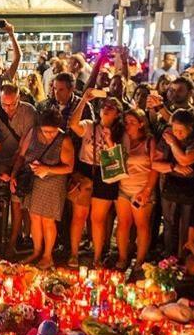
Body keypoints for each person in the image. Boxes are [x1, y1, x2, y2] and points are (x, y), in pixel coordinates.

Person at [68, 88, 124, 267]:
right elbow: (73, 124)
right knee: (79, 216)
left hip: (105, 173)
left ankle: (97, 257)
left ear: (117, 114)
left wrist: (109, 142)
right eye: (104, 106)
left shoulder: (120, 133)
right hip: (86, 170)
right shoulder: (90, 125)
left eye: (112, 107)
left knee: (98, 219)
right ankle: (74, 254)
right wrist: (84, 100)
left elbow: (117, 162)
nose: (106, 109)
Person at [15, 109, 74, 267]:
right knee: (34, 217)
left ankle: (48, 255)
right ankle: (36, 250)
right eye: (46, 131)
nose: (49, 135)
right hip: (33, 181)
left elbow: (69, 167)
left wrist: (47, 169)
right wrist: (14, 174)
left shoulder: (63, 140)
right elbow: (21, 154)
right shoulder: (33, 133)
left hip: (52, 184)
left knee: (48, 220)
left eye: (53, 131)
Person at [0, 84, 37, 256]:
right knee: (0, 200)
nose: (8, 109)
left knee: (19, 203)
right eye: (4, 104)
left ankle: (18, 239)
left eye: (12, 104)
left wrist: (15, 170)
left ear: (19, 99)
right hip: (2, 161)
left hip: (23, 162)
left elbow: (27, 141)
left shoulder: (29, 112)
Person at [153, 109, 194, 261]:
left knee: (186, 223)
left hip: (190, 186)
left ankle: (183, 257)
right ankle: (168, 255)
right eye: (174, 130)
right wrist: (173, 167)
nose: (177, 134)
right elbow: (155, 163)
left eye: (181, 131)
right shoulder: (167, 135)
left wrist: (172, 143)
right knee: (168, 221)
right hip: (170, 183)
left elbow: (185, 160)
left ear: (190, 127)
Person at [116, 108, 159, 269]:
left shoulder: (149, 141)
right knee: (123, 224)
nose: (128, 125)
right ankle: (122, 257)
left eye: (132, 122)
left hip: (142, 190)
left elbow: (155, 167)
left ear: (141, 124)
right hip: (124, 189)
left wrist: (147, 190)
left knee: (142, 225)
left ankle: (140, 260)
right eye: (126, 122)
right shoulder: (123, 139)